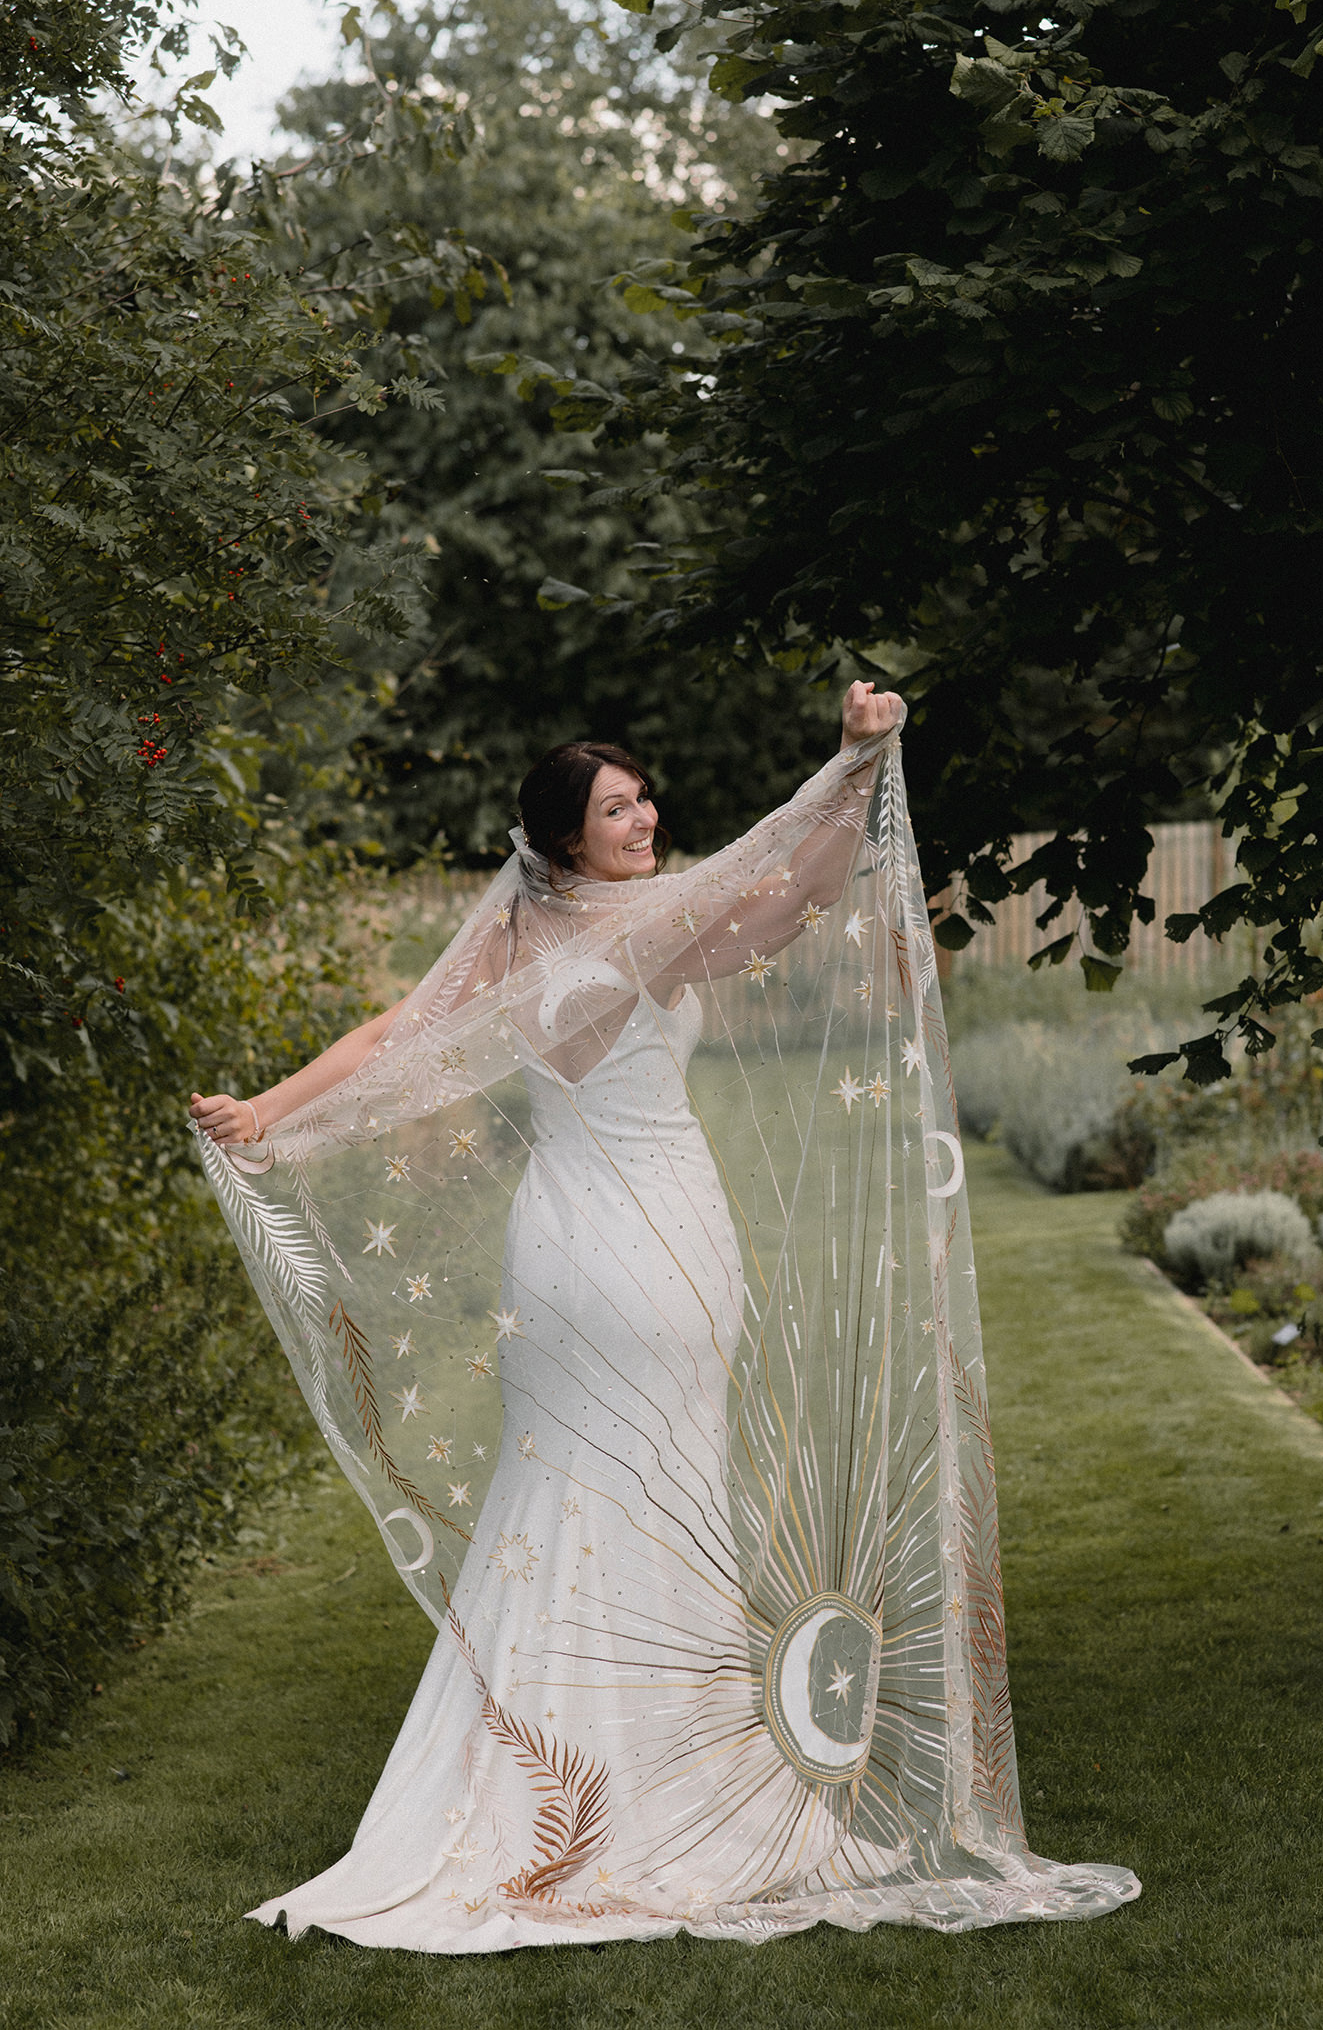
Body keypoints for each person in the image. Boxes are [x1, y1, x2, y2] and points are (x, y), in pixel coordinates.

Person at [193, 682, 1139, 1950]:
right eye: (616, 807)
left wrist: (271, 1109)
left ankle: (543, 1779)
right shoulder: (641, 933)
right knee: (657, 1486)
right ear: (564, 836)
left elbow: (388, 1035)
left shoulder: (519, 938)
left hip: (569, 1243)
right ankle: (653, 1782)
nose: (644, 817)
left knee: (568, 1495)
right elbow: (791, 894)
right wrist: (856, 764)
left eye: (642, 797)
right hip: (656, 1242)